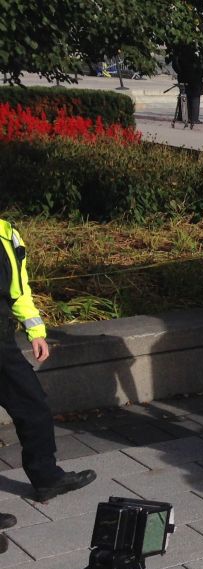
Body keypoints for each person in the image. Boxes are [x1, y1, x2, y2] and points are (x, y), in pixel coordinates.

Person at [0, 219, 97, 530]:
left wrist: (35, 332)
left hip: (2, 341)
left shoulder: (7, 233)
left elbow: (19, 289)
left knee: (33, 406)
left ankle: (46, 478)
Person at [172, 47, 203, 125]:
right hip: (194, 81)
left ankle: (184, 117)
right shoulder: (195, 57)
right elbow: (201, 68)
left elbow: (175, 65)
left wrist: (181, 73)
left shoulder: (180, 54)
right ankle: (193, 118)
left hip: (185, 79)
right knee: (194, 100)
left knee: (184, 98)